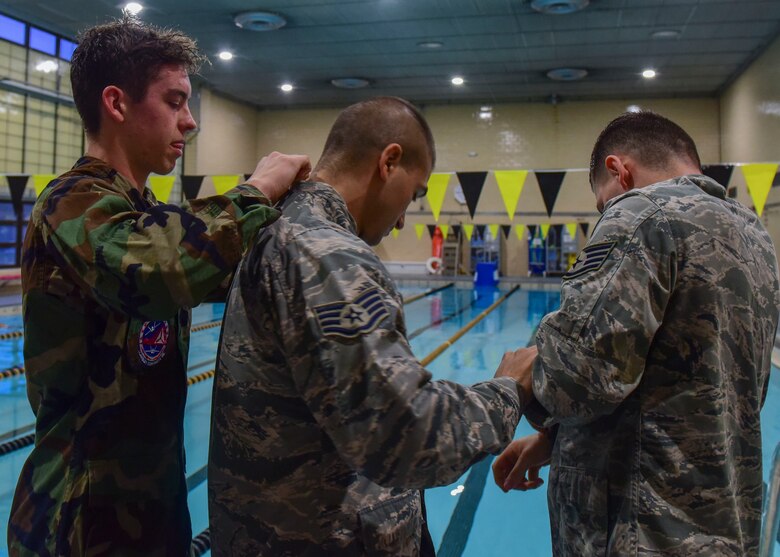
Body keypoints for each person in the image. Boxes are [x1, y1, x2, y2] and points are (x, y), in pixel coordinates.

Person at [7, 16, 310, 557]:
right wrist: (257, 190)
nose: (190, 123)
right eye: (175, 102)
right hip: (78, 521)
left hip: (150, 512)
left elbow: (223, 273)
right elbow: (159, 271)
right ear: (117, 104)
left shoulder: (146, 214)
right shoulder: (70, 203)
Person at [208, 96, 532, 556]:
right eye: (414, 194)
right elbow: (404, 434)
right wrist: (508, 389)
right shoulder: (330, 253)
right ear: (389, 161)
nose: (403, 219)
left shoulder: (272, 227)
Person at [492, 111, 780, 556]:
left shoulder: (643, 213)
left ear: (618, 170)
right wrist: (552, 440)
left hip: (643, 530)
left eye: (602, 203)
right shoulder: (753, 234)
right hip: (720, 526)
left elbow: (578, 380)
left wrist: (527, 372)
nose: (607, 213)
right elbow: (714, 392)